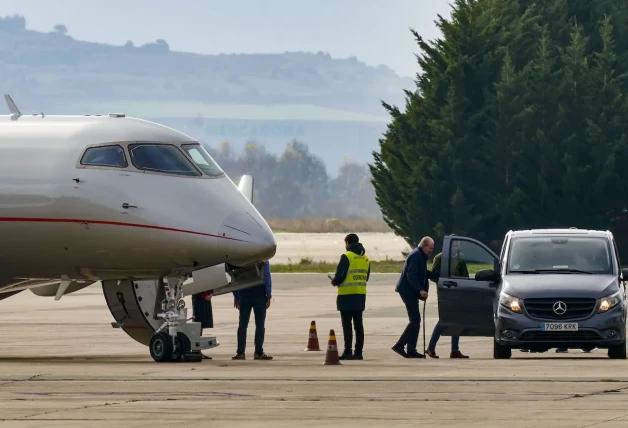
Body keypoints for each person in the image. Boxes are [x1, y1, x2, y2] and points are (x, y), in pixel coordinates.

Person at [392, 236, 438, 359]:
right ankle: (399, 345)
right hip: (408, 291)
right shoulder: (416, 255)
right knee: (415, 320)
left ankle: (411, 349)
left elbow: (423, 273)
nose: (431, 250)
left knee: (415, 320)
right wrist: (420, 290)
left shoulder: (420, 256)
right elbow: (411, 275)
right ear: (424, 246)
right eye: (430, 248)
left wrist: (439, 274)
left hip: (411, 291)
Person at [425, 239, 469, 359]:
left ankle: (454, 350)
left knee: (457, 322)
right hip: (445, 294)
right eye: (453, 244)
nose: (455, 247)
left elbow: (465, 275)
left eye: (457, 245)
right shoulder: (440, 258)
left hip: (457, 294)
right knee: (444, 321)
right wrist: (445, 283)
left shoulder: (460, 257)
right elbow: (433, 276)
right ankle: (431, 347)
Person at [330, 233, 371, 360]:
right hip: (360, 295)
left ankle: (348, 351)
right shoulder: (365, 259)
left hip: (346, 295)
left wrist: (335, 281)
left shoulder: (347, 256)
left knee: (347, 325)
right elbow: (366, 277)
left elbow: (340, 275)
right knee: (359, 325)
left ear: (348, 243)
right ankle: (358, 353)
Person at [232, 260, 273, 360]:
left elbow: (234, 277)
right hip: (259, 295)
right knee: (259, 325)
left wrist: (236, 296)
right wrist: (268, 295)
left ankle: (240, 353)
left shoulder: (241, 259)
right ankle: (258, 352)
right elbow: (267, 277)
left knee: (242, 325)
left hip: (244, 295)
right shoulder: (263, 259)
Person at [191, 289, 214, 360]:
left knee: (202, 323)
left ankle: (198, 349)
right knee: (198, 323)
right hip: (199, 297)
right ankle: (196, 349)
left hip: (205, 296)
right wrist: (205, 295)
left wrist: (210, 293)